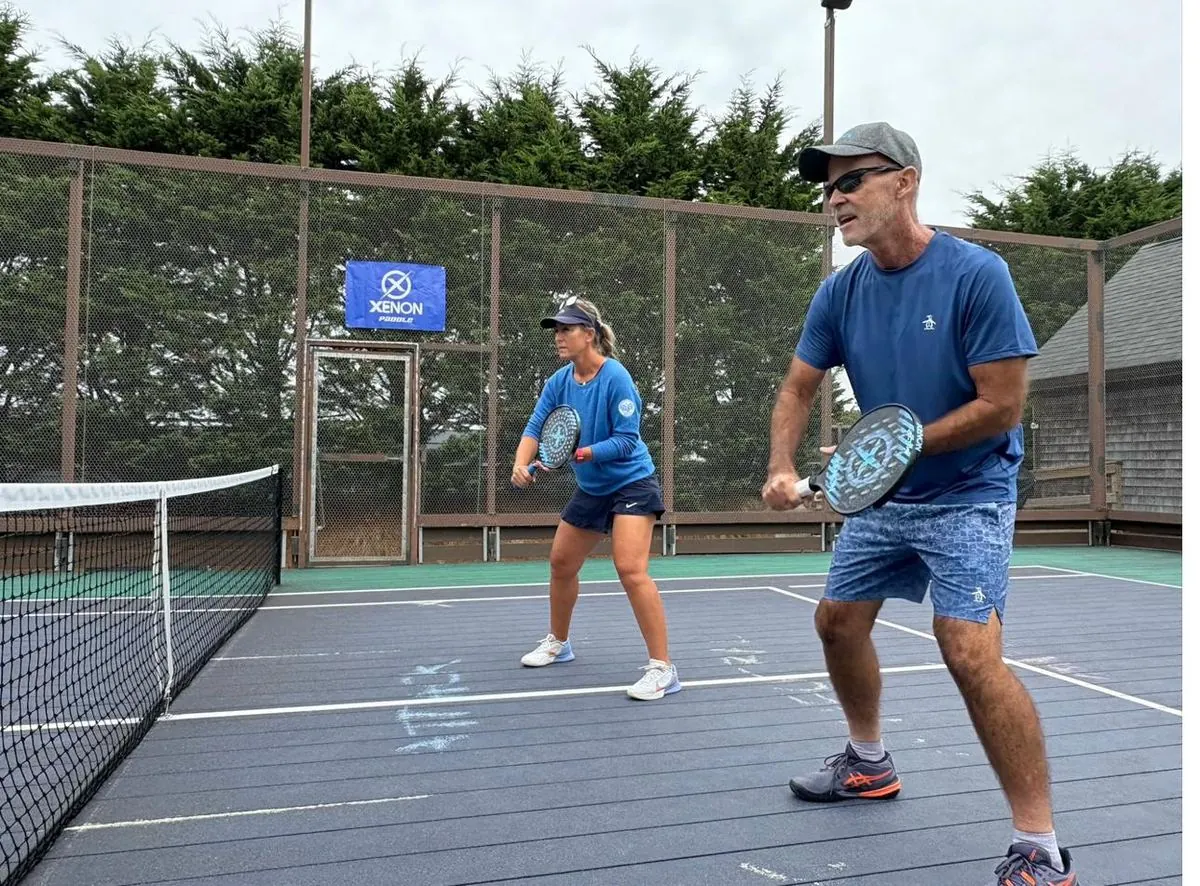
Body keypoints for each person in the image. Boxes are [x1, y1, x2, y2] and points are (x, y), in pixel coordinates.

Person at [762, 122, 1080, 885]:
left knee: (969, 649)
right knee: (836, 623)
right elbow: (799, 385)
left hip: (969, 491)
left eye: (850, 181)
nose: (833, 198)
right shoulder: (840, 290)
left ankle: (1041, 846)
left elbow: (1001, 406)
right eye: (827, 187)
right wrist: (779, 465)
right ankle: (868, 763)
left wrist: (894, 453)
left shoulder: (977, 275)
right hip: (885, 498)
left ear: (904, 180)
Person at [511, 295, 679, 701]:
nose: (559, 337)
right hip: (592, 488)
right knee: (561, 562)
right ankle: (560, 643)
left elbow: (626, 440)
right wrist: (521, 463)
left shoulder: (616, 377)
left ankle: (663, 669)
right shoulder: (560, 381)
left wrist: (584, 452)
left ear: (589, 334)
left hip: (632, 484)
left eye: (567, 329)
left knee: (630, 568)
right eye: (556, 330)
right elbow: (537, 426)